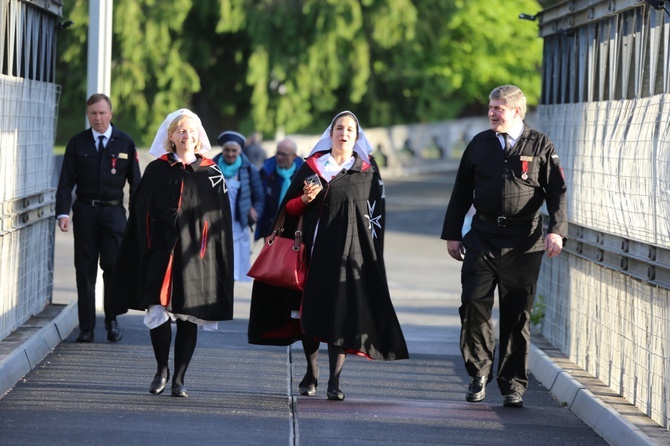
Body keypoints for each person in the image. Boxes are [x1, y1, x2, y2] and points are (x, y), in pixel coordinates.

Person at [248, 111, 409, 401]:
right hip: (310, 251)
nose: (344, 133)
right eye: (339, 128)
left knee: (340, 315)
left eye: (350, 129)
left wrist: (370, 257)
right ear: (330, 133)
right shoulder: (312, 166)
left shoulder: (367, 172)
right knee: (309, 312)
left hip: (348, 254)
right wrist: (305, 200)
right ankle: (312, 372)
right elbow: (290, 210)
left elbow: (373, 218)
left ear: (357, 136)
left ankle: (335, 381)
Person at [441, 85, 568, 408]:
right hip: (483, 236)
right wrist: (452, 234)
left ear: (517, 112)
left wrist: (557, 231)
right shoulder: (480, 144)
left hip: (524, 242)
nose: (492, 113)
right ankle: (478, 372)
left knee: (516, 314)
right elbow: (460, 192)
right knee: (472, 303)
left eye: (499, 108)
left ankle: (512, 384)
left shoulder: (540, 145)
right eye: (491, 107)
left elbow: (556, 192)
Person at [110, 109, 234, 397]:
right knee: (157, 310)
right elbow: (140, 210)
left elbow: (220, 220)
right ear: (171, 136)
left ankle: (179, 378)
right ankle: (161, 369)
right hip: (160, 251)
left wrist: (208, 247)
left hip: (196, 256)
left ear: (198, 135)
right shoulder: (157, 169)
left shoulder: (211, 172)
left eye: (190, 131)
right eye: (180, 130)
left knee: (188, 314)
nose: (186, 135)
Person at [55, 93, 141, 343]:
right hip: (85, 212)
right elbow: (65, 182)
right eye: (93, 113)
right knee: (85, 270)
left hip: (114, 214)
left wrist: (136, 217)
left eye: (102, 113)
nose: (98, 118)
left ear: (111, 114)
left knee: (113, 267)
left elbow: (136, 183)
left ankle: (112, 320)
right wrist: (63, 212)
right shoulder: (77, 143)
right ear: (88, 115)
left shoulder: (124, 142)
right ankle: (86, 327)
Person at [212, 131, 265, 282]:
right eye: (227, 150)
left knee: (236, 267)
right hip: (217, 222)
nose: (230, 154)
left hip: (239, 223)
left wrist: (255, 210)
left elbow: (260, 197)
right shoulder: (212, 167)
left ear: (240, 151)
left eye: (234, 151)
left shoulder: (248, 169)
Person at [255, 137, 304, 241]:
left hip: (294, 229)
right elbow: (257, 195)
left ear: (294, 156)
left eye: (284, 154)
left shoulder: (303, 173)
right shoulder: (266, 171)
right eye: (278, 153)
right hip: (270, 226)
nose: (279, 157)